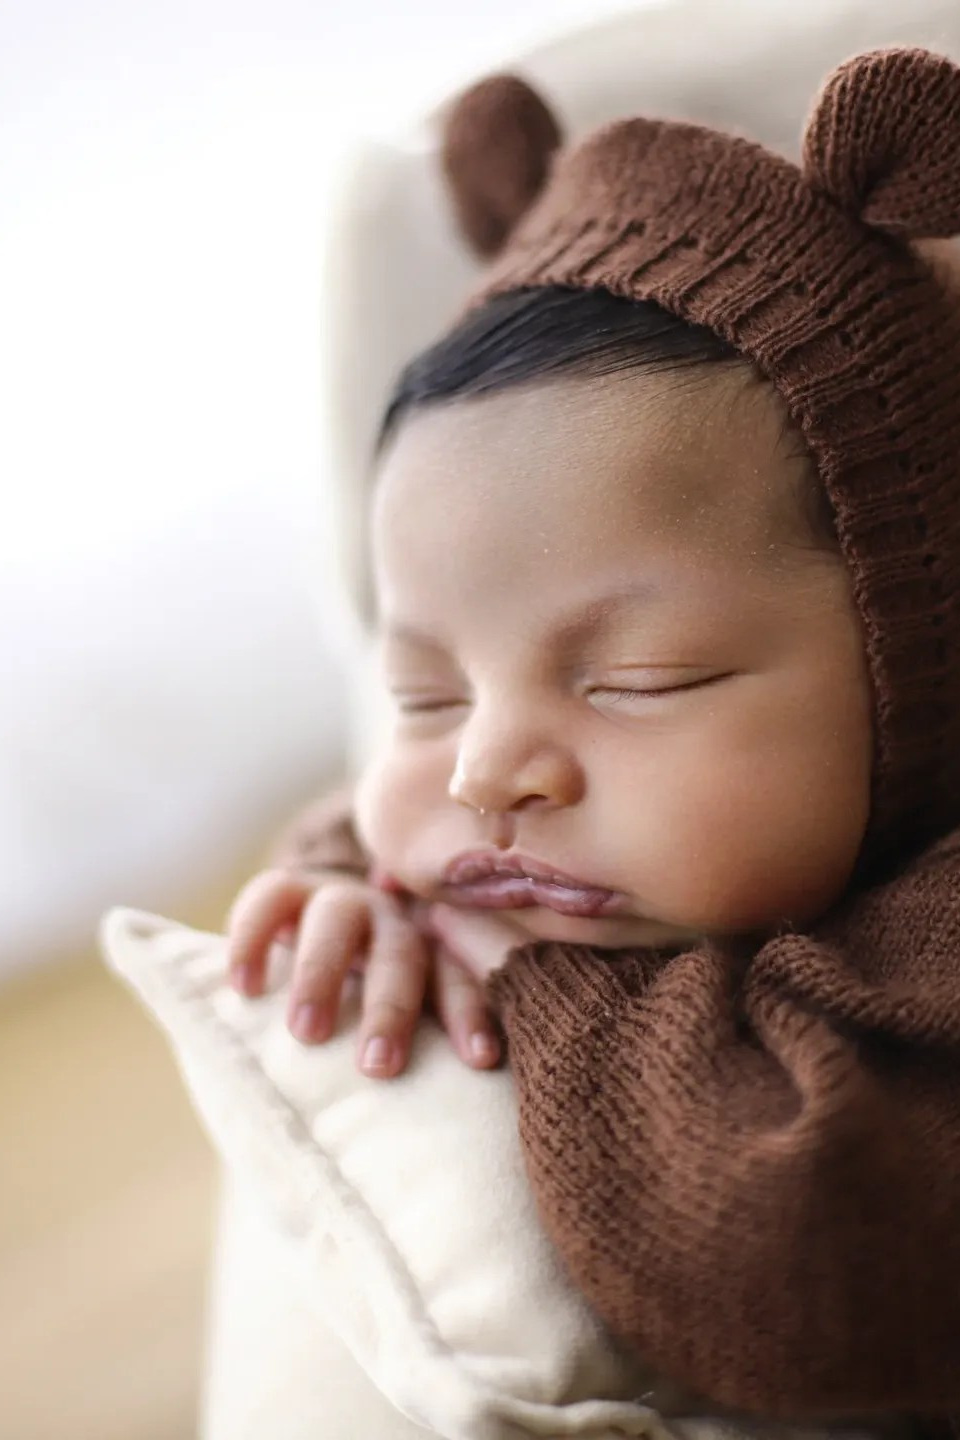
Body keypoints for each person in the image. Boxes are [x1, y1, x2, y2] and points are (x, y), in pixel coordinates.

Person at [226, 48, 960, 1427]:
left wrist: (522, 970)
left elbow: (805, 1286)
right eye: (423, 696)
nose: (480, 772)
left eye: (639, 677)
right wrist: (349, 884)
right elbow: (384, 807)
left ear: (914, 662)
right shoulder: (544, 806)